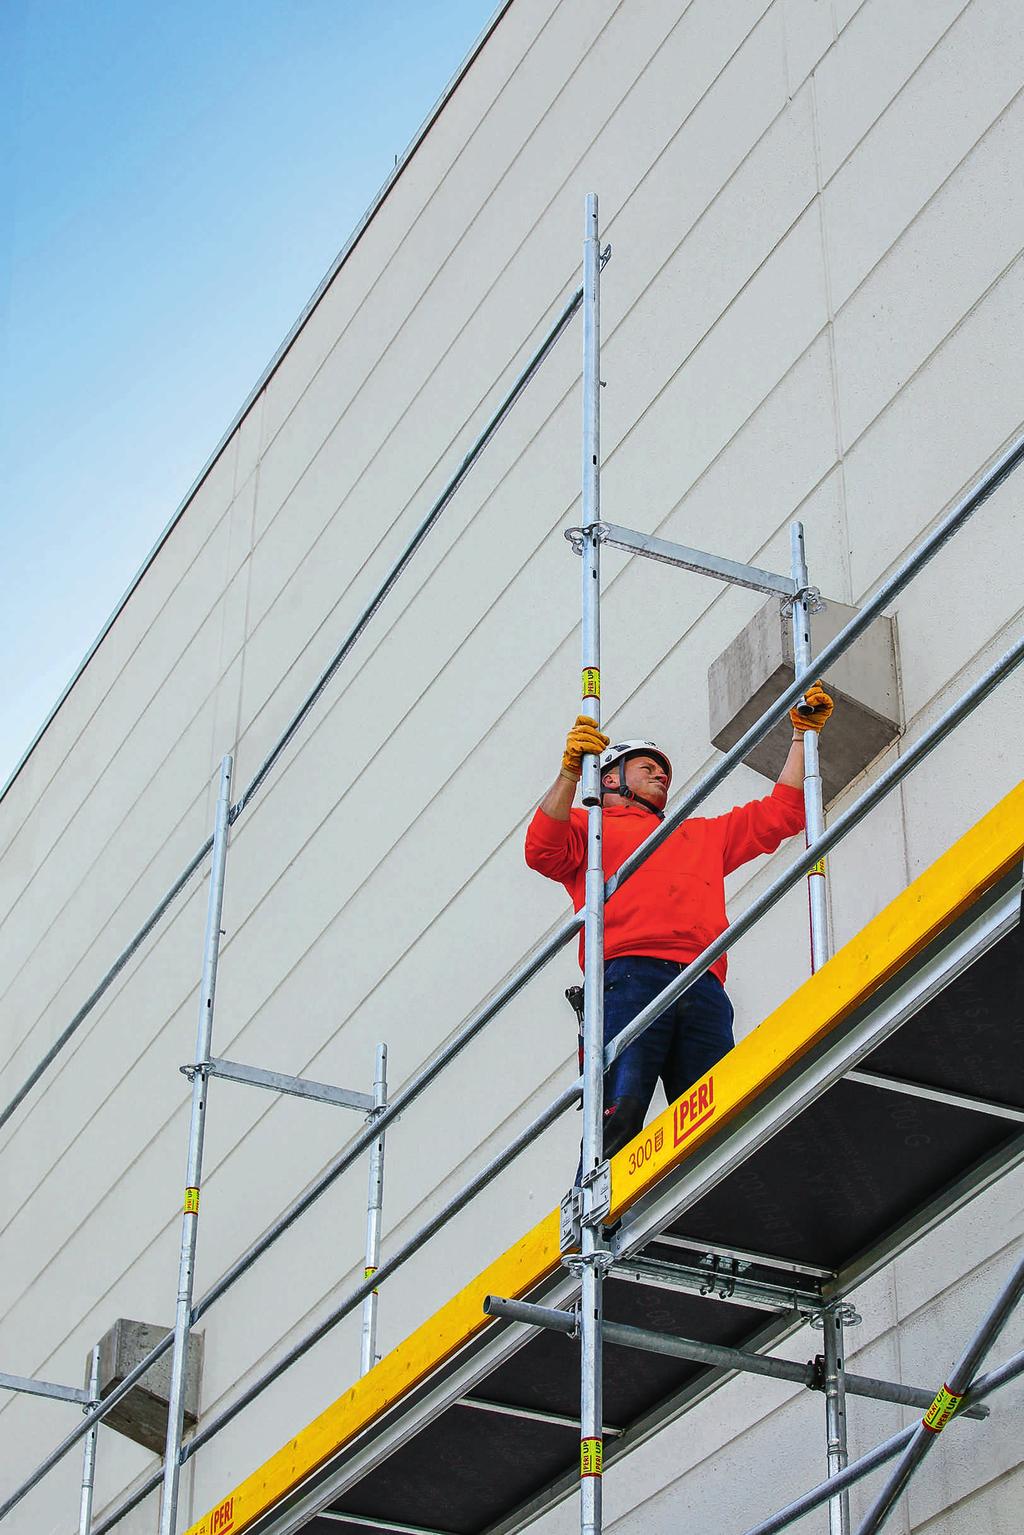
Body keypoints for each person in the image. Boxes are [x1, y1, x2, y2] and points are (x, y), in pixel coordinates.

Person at [524, 684, 834, 1162]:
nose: (661, 776)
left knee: (717, 1119)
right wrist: (569, 773)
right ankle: (601, 1214)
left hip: (701, 978)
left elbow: (782, 814)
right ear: (608, 780)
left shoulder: (696, 834)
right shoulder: (591, 831)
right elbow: (542, 849)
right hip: (629, 974)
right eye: (647, 767)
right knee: (620, 1114)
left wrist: (800, 736)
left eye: (664, 772)